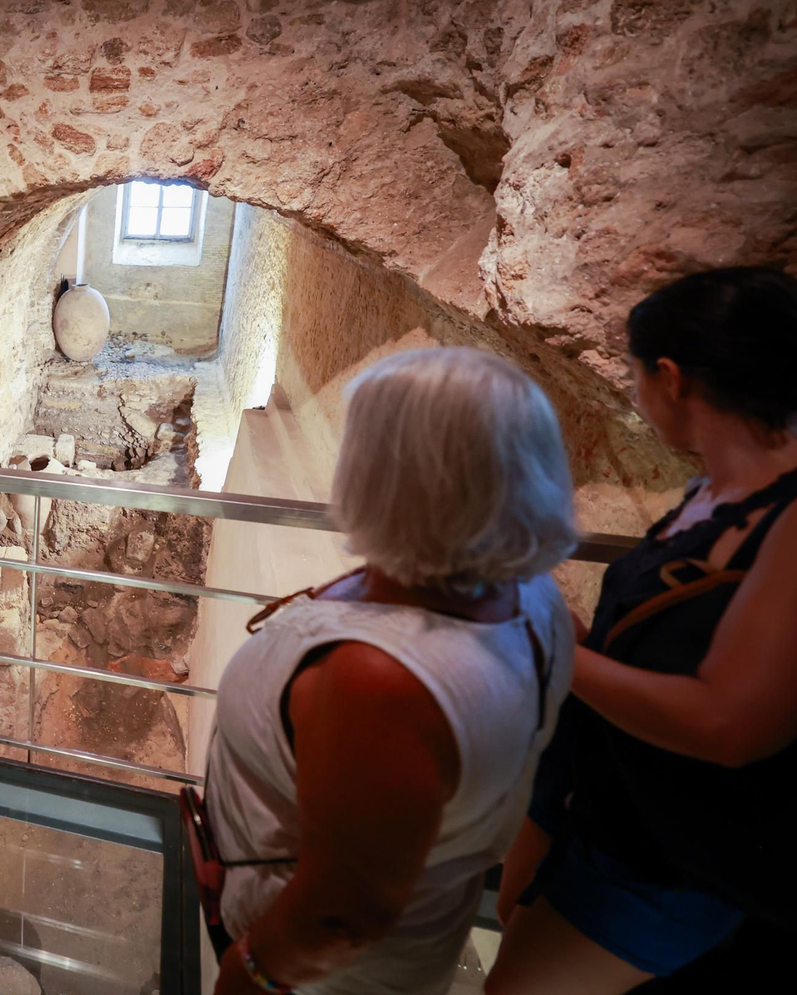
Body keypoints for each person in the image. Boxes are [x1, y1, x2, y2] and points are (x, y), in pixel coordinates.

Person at [204, 347, 579, 995]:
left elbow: (342, 915)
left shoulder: (382, 685)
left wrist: (248, 974)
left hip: (318, 978)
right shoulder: (533, 597)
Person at [488, 267, 797, 994]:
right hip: (595, 792)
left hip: (668, 857)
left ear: (672, 377)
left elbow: (730, 725)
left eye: (634, 376)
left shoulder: (787, 521)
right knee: (515, 921)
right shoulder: (712, 493)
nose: (636, 395)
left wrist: (559, 646)